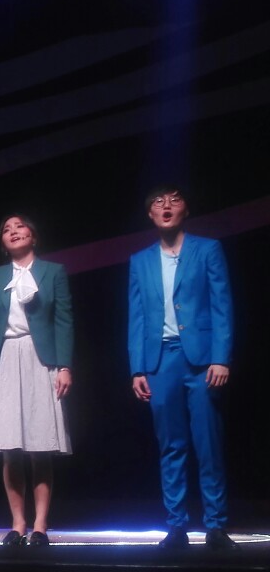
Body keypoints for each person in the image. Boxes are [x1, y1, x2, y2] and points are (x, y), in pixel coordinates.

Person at [128, 186, 238, 550]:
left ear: (185, 210)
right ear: (150, 215)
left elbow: (222, 305)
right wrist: (137, 368)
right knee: (171, 445)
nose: (166, 206)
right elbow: (137, 316)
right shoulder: (140, 260)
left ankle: (216, 525)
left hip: (202, 359)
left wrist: (221, 357)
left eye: (174, 200)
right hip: (161, 359)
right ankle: (176, 525)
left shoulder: (207, 249)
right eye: (158, 202)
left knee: (208, 443)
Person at [0, 214, 74, 547]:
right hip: (4, 357)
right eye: (6, 229)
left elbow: (64, 320)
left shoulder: (54, 272)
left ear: (34, 235)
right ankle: (18, 523)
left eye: (19, 226)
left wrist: (64, 366)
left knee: (40, 447)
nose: (13, 231)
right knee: (10, 448)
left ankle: (41, 525)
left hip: (40, 358)